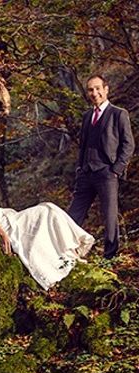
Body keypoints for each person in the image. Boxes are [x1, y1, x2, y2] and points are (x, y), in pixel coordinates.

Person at [0, 157, 95, 290]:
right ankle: (69, 250)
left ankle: (69, 250)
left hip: (7, 216)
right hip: (4, 223)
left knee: (48, 210)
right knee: (46, 210)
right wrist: (2, 234)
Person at [68, 74, 135, 259]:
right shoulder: (87, 116)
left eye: (98, 88)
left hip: (107, 173)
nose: (94, 93)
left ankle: (110, 257)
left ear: (106, 89)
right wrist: (80, 169)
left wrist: (116, 170)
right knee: (73, 215)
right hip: (86, 174)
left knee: (110, 217)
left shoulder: (118, 114)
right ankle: (65, 251)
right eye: (90, 89)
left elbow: (129, 145)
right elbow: (83, 145)